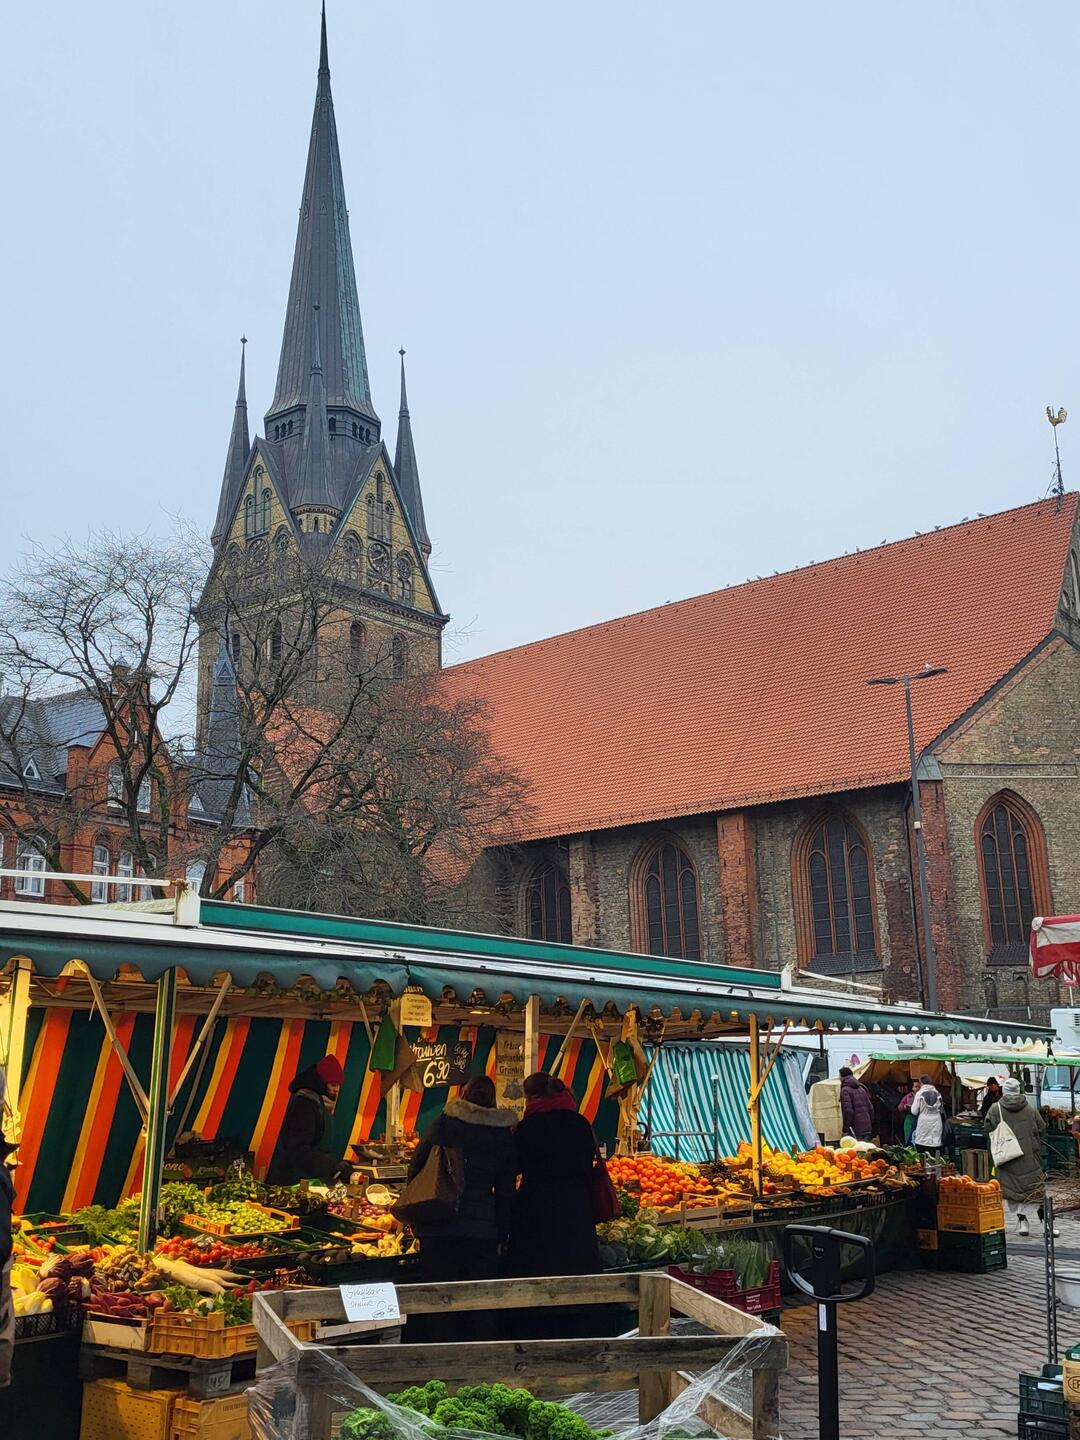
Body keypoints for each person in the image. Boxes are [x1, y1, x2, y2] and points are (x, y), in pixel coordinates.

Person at [407, 1075, 517, 1291]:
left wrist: (415, 1216)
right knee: (478, 1299)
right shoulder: (501, 1135)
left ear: (463, 1095)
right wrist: (502, 1232)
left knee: (440, 1299)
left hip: (437, 1222)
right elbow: (506, 1192)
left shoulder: (444, 1123)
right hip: (481, 1229)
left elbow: (416, 1167)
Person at [511, 1073, 600, 1277]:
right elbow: (587, 1164)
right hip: (577, 1209)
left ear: (532, 1098)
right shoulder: (580, 1123)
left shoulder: (528, 1127)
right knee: (577, 1271)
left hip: (537, 1210)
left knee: (539, 1272)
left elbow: (512, 1166)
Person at [986, 1076, 1057, 1238]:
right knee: (1036, 1191)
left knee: (1014, 1192)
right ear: (1019, 1091)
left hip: (1007, 1157)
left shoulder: (995, 1108)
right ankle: (1047, 1225)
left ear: (1004, 1091)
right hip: (1029, 1156)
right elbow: (1042, 1128)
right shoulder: (1030, 1108)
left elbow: (988, 1128)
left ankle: (1023, 1223)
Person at [266, 1055, 351, 1185]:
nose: (337, 1089)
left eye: (339, 1085)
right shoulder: (304, 1106)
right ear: (321, 1083)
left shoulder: (318, 1104)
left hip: (310, 1179)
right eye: (333, 1084)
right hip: (294, 1183)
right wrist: (333, 1165)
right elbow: (299, 1151)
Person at [910, 1076, 945, 1154]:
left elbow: (914, 1111)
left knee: (922, 1143)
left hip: (924, 1120)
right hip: (936, 1120)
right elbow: (942, 1109)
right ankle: (936, 1162)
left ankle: (924, 1163)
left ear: (921, 1083)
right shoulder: (938, 1094)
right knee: (935, 1142)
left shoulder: (919, 1094)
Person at [838, 1067, 875, 1141]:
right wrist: (870, 1123)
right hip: (867, 1127)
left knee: (856, 1150)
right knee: (865, 1150)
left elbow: (848, 1111)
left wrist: (846, 1128)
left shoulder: (845, 1090)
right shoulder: (861, 1088)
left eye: (839, 1075)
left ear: (842, 1076)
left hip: (855, 1128)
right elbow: (871, 1108)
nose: (838, 1078)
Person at [898, 1079, 919, 1145]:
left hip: (920, 1119)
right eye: (916, 1087)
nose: (917, 1088)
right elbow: (900, 1107)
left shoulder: (922, 1096)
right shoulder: (907, 1097)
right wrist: (905, 1106)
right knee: (908, 1139)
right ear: (912, 1088)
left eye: (919, 1087)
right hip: (909, 1118)